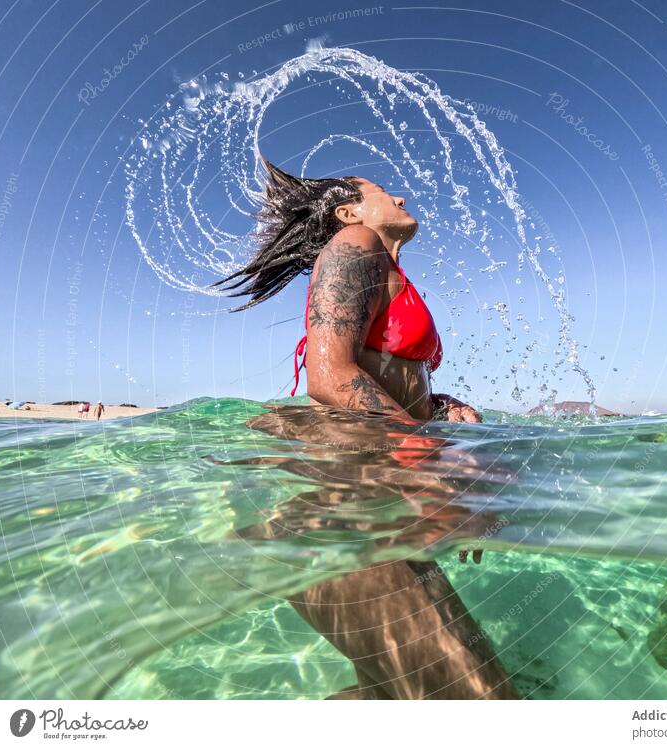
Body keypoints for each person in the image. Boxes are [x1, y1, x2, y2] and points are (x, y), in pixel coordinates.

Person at [214, 157, 518, 699]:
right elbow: (331, 377)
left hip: (368, 495)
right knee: (475, 704)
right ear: (348, 210)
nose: (399, 199)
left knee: (401, 697)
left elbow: (383, 373)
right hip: (331, 508)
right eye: (383, 192)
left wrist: (439, 405)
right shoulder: (356, 241)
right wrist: (433, 469)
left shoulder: (389, 271)